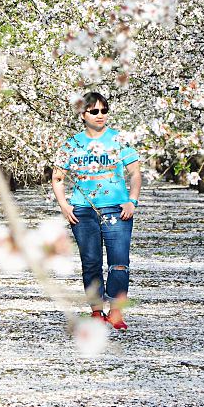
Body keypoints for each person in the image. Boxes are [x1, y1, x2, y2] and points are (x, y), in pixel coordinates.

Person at [51, 92, 141, 331]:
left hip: (117, 209)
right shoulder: (72, 144)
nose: (100, 115)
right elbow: (57, 177)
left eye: (104, 110)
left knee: (119, 263)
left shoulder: (119, 139)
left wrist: (132, 201)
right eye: (94, 111)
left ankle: (116, 312)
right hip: (83, 210)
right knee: (90, 262)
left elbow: (135, 173)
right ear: (83, 114)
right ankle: (96, 311)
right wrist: (64, 205)